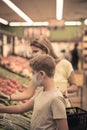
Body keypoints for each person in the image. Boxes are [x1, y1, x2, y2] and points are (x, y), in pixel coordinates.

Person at [0, 36, 77, 106]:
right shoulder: (38, 69)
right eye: (32, 52)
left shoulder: (65, 64)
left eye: (36, 51)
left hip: (63, 107)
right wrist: (7, 97)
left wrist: (66, 90)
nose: (33, 55)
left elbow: (74, 86)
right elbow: (27, 93)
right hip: (46, 109)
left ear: (46, 50)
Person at [0, 55, 69, 130]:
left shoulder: (56, 99)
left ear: (41, 74)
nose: (31, 77)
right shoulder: (41, 92)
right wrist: (1, 109)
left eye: (33, 73)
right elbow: (21, 108)